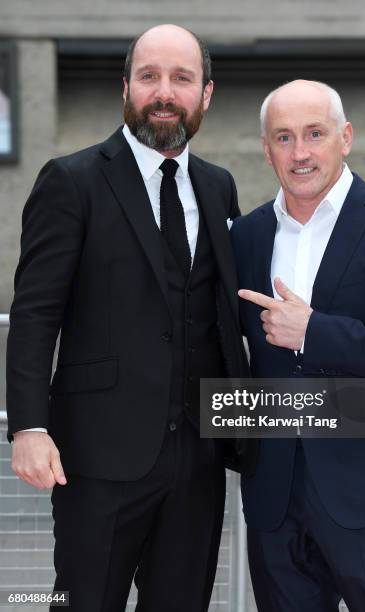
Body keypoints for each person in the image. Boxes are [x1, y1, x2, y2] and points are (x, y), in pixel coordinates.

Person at [6, 24, 251, 612]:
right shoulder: (72, 181)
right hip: (97, 459)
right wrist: (28, 427)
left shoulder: (219, 188)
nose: (164, 91)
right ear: (126, 88)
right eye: (149, 77)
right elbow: (36, 313)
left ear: (205, 94)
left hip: (198, 459)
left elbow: (221, 314)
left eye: (181, 78)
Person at [230, 80, 365, 611]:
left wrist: (313, 332)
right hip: (274, 498)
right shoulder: (247, 236)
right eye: (283, 138)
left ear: (345, 137)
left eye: (314, 134)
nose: (300, 152)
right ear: (266, 149)